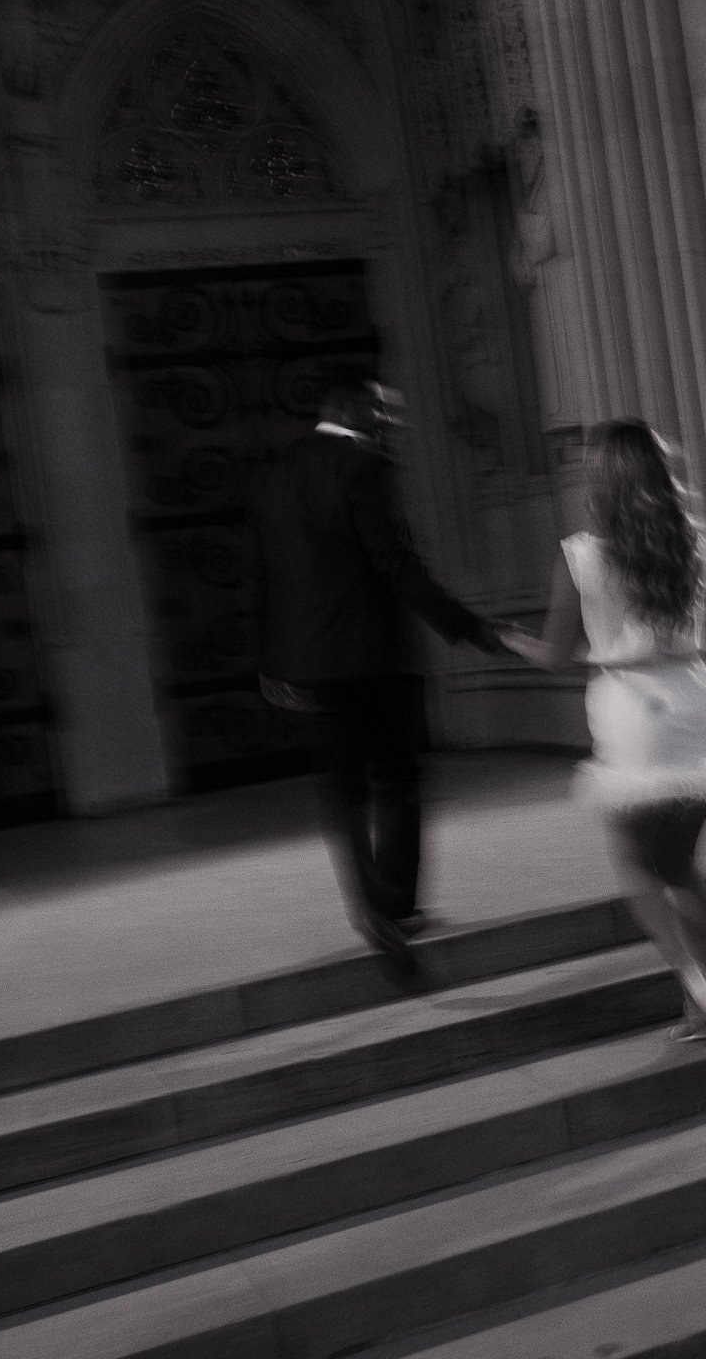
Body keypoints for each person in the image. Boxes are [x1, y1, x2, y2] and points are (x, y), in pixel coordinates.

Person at [501, 418, 706, 1047]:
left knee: (636, 864)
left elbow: (556, 655)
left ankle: (697, 984)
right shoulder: (694, 543)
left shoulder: (582, 554)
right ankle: (700, 1008)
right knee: (684, 864)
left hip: (633, 706)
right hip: (698, 697)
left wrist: (510, 641)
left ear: (604, 479)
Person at [254, 365, 502, 971]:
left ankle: (371, 909)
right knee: (396, 780)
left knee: (341, 794)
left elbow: (264, 576)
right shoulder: (363, 467)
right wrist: (467, 627)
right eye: (384, 414)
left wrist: (269, 658)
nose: (391, 425)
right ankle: (396, 905)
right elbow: (393, 562)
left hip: (308, 664)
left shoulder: (274, 474)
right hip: (373, 659)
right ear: (353, 412)